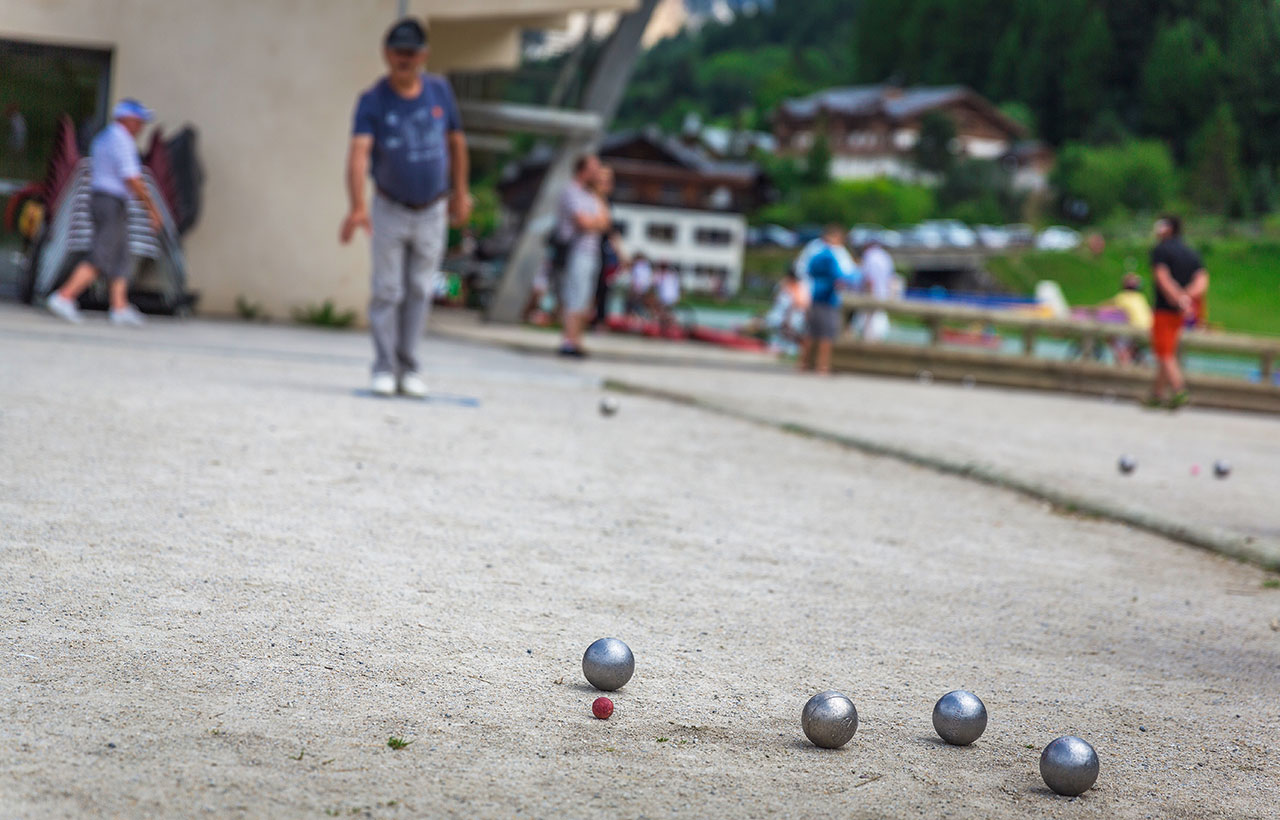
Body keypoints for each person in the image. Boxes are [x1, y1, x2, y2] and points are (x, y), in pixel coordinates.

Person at [340, 17, 471, 398]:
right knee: (387, 289)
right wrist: (356, 206)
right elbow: (358, 154)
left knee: (419, 288)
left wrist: (460, 193)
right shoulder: (372, 100)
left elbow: (457, 143)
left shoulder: (440, 91)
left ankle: (408, 366)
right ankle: (383, 366)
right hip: (389, 207)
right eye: (398, 52)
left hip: (432, 208)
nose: (405, 60)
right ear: (386, 54)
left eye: (412, 53)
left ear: (424, 56)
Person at [45, 99, 163, 327]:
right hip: (110, 201)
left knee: (120, 254)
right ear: (127, 119)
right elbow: (132, 178)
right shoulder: (121, 140)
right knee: (103, 253)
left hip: (106, 200)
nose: (141, 127)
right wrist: (152, 209)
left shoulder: (105, 137)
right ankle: (64, 296)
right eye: (139, 122)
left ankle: (119, 306)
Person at [1145, 215, 1207, 409]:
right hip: (1180, 312)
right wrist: (1188, 297)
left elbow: (1162, 278)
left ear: (1168, 228)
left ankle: (1179, 389)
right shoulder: (1191, 252)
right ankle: (1157, 394)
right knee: (1168, 349)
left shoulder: (1160, 250)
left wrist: (1178, 298)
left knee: (1163, 352)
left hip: (1165, 309)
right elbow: (1202, 280)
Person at [552, 154, 610, 357]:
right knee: (574, 296)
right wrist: (595, 222)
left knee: (584, 298)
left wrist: (596, 216)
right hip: (575, 251)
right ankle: (568, 340)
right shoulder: (571, 191)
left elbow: (605, 222)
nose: (597, 172)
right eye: (594, 168)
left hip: (590, 251)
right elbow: (583, 223)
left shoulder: (590, 195)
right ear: (583, 170)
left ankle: (576, 340)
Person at [799, 224, 859, 374]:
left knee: (810, 332)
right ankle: (822, 366)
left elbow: (803, 270)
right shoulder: (832, 253)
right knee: (826, 335)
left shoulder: (813, 248)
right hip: (828, 297)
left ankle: (803, 363)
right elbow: (844, 275)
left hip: (812, 295)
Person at [1099, 272, 1152, 366]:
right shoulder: (1141, 298)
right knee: (1131, 345)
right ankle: (1131, 358)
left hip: (1135, 329)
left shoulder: (1123, 296)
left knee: (1111, 336)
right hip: (1148, 329)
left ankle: (1123, 360)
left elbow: (1106, 307)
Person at [858, 239, 895, 341]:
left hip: (872, 294)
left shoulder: (869, 255)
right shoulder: (885, 256)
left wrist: (869, 294)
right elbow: (891, 279)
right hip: (883, 294)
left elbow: (869, 278)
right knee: (878, 327)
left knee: (868, 327)